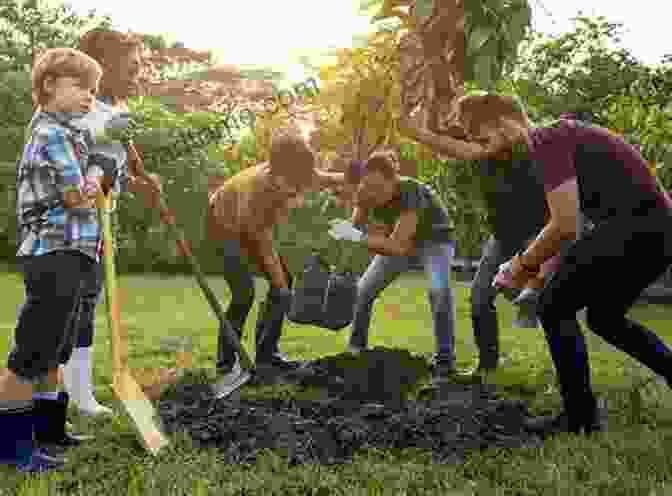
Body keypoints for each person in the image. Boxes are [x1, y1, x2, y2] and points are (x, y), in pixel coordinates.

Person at [402, 93, 672, 436]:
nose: (483, 146)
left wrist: (519, 266)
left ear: (499, 122)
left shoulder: (547, 139)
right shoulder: (554, 140)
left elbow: (565, 225)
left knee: (554, 306)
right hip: (654, 230)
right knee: (604, 319)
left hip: (638, 227)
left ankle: (581, 418)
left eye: (481, 135)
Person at [0, 47, 106, 474]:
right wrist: (99, 170)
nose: (90, 97)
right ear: (48, 86)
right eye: (82, 86)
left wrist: (98, 157)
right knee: (31, 354)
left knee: (55, 351)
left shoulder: (68, 133)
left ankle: (48, 431)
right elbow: (78, 196)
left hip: (73, 254)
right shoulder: (52, 134)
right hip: (54, 255)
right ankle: (10, 448)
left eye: (95, 90)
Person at [51, 28, 162, 416]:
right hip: (65, 224)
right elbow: (64, 142)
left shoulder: (116, 110)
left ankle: (75, 391)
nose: (138, 75)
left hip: (97, 222)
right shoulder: (76, 108)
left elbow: (120, 160)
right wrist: (105, 130)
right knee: (68, 306)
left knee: (85, 303)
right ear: (105, 66)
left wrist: (143, 181)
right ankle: (58, 389)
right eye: (131, 68)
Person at [207, 128, 345, 384]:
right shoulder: (257, 190)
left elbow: (324, 179)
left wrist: (350, 179)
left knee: (283, 283)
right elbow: (264, 244)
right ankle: (226, 364)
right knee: (244, 293)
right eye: (292, 183)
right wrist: (281, 287)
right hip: (222, 226)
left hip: (250, 226)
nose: (296, 188)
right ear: (276, 171)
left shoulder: (300, 170)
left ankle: (266, 355)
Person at [328, 151, 458, 382]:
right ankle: (355, 350)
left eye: (379, 188)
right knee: (363, 290)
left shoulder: (410, 191)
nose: (372, 194)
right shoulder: (365, 194)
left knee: (439, 291)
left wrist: (357, 237)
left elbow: (395, 245)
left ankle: (445, 361)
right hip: (400, 241)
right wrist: (336, 264)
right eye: (368, 186)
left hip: (434, 239)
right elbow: (353, 233)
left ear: (394, 180)